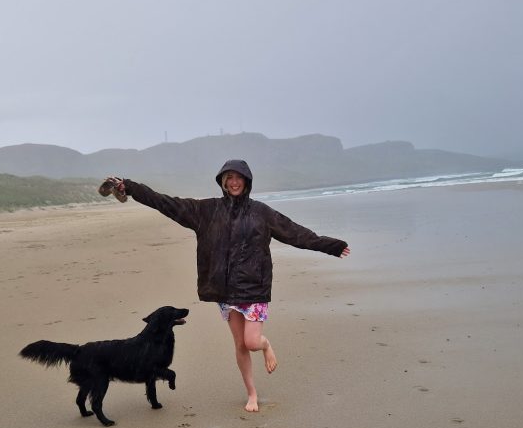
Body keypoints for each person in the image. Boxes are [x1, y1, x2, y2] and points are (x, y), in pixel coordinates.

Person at [101, 159, 350, 413]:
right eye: (228, 178)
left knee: (252, 342)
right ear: (222, 181)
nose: (233, 182)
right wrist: (130, 187)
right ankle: (251, 393)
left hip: (254, 288)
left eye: (238, 177)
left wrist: (330, 246)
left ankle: (265, 345)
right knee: (240, 345)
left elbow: (295, 232)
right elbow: (165, 203)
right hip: (226, 291)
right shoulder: (206, 211)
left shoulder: (261, 213)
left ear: (247, 181)